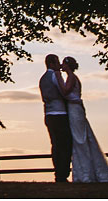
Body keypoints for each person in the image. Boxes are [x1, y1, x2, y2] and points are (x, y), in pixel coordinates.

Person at [61, 56, 108, 183]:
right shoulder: (71, 77)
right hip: (74, 109)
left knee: (80, 139)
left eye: (63, 64)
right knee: (80, 139)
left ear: (67, 65)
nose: (61, 67)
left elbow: (65, 92)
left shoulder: (71, 77)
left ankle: (86, 174)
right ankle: (85, 172)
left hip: (74, 110)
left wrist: (58, 81)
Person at [39, 53, 72, 182]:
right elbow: (63, 92)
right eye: (57, 62)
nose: (59, 65)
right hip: (59, 114)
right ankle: (62, 173)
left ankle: (58, 172)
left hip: (48, 114)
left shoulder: (42, 78)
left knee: (55, 144)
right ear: (52, 63)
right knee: (65, 144)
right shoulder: (55, 76)